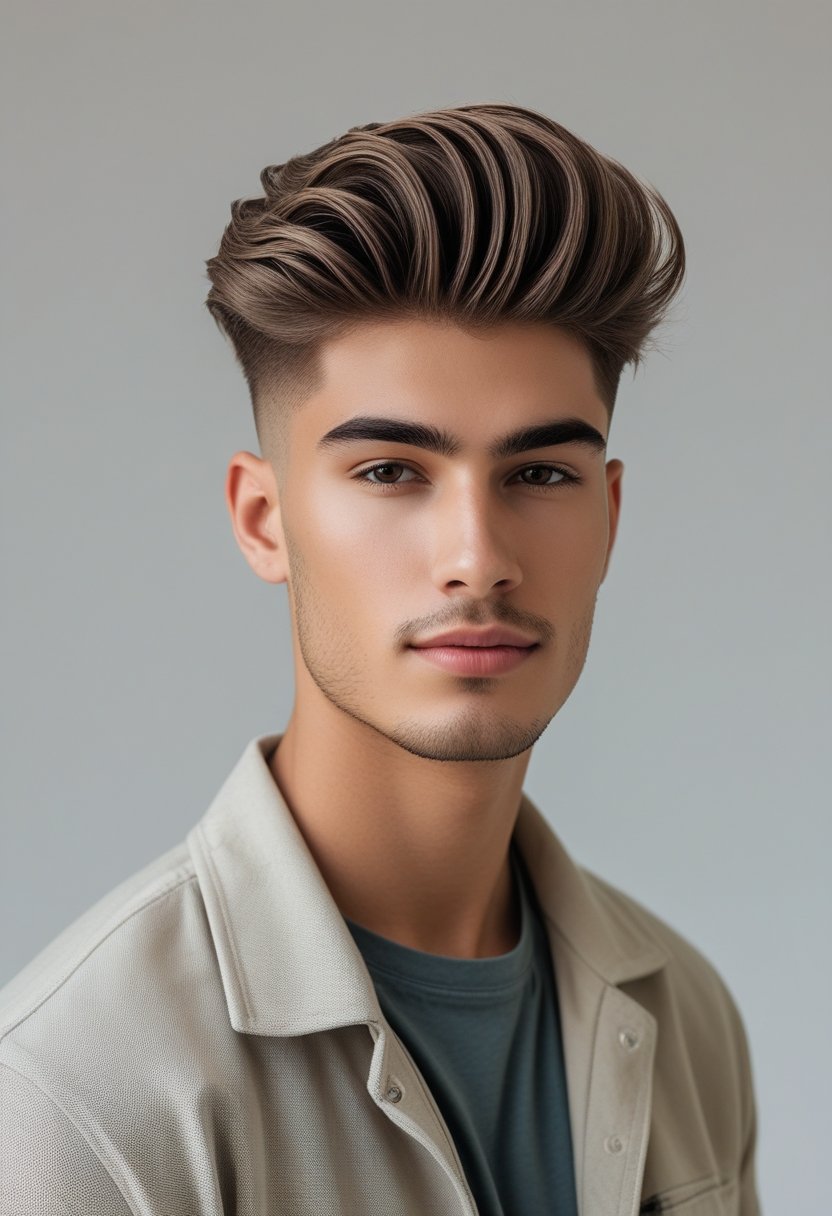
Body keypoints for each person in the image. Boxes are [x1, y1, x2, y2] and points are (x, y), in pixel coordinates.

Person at [0, 102, 760, 1215]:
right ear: (264, 521)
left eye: (539, 475)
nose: (477, 557)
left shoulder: (684, 1016)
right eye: (392, 471)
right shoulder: (78, 1093)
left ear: (607, 515)